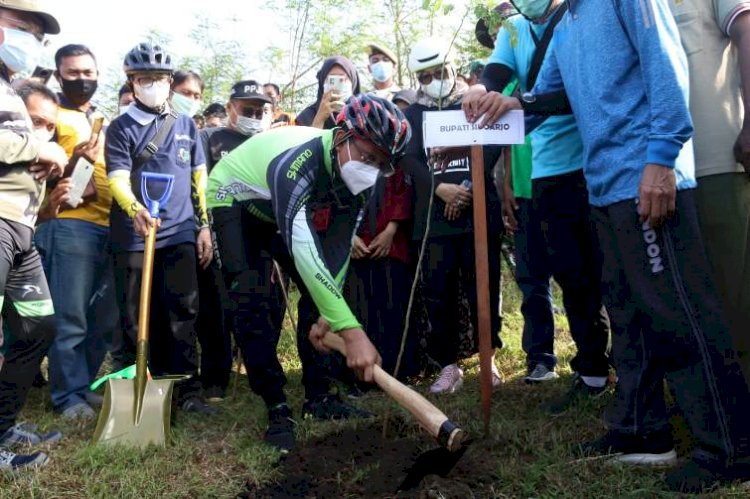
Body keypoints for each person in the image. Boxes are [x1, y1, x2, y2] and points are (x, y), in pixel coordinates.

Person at [465, 0, 750, 493]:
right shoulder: (570, 21)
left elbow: (666, 66)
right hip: (603, 185)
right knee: (627, 315)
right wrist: (512, 105)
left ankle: (728, 447)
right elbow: (550, 94)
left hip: (647, 179)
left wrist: (661, 160)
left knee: (678, 313)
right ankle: (640, 433)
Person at [207, 94, 411, 453]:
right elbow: (303, 248)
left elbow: (338, 250)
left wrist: (332, 318)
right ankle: (276, 405)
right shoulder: (299, 162)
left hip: (276, 211)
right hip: (235, 203)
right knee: (250, 301)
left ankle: (319, 397)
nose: (372, 169)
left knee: (323, 303)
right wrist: (353, 333)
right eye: (367, 157)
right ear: (343, 136)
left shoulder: (358, 183)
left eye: (381, 164)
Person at [465, 1, 610, 406]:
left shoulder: (580, 18)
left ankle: (633, 368)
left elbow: (582, 87)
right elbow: (497, 73)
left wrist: (522, 102)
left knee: (612, 271)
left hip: (594, 158)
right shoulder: (512, 29)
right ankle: (592, 369)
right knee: (571, 273)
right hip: (546, 169)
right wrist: (481, 88)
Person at [105, 42, 215, 416]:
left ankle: (186, 389)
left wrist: (203, 226)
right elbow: (118, 179)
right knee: (135, 317)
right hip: (134, 235)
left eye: (160, 79)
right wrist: (134, 208)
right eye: (145, 78)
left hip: (180, 231)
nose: (153, 84)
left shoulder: (186, 125)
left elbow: (200, 180)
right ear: (132, 81)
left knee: (182, 311)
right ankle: (138, 389)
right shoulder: (121, 128)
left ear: (170, 82)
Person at [402, 37, 504, 394]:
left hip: (477, 210)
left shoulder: (473, 103)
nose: (435, 79)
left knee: (484, 287)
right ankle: (448, 365)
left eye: (440, 72)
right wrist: (438, 189)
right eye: (426, 76)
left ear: (453, 68)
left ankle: (489, 358)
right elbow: (410, 159)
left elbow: (491, 146)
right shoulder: (413, 114)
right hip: (433, 219)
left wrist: (465, 189)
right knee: (439, 291)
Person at [0, 0, 68, 470]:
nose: (30, 40)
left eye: (36, 34)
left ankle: (2, 424)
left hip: (21, 229)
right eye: (20, 27)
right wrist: (42, 146)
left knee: (37, 326)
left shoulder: (7, 88)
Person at [32, 44, 117, 420]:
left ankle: (82, 386)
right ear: (58, 74)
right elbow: (36, 171)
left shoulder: (101, 119)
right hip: (68, 226)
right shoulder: (50, 118)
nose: (83, 79)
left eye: (88, 72)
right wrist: (73, 163)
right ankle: (66, 397)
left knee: (103, 317)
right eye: (73, 72)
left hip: (109, 225)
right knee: (71, 317)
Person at [668, 1, 750, 383]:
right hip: (669, 172)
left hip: (718, 162)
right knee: (700, 300)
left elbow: (747, 32)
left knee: (737, 293)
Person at [199, 79, 275, 401]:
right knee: (217, 305)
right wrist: (203, 226)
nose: (254, 116)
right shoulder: (210, 138)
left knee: (257, 302)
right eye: (247, 110)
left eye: (260, 111)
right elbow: (200, 183)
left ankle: (261, 372)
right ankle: (216, 377)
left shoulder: (268, 141)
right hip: (221, 231)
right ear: (231, 108)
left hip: (260, 233)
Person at [296, 56, 360, 129]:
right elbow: (306, 140)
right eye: (332, 79)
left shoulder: (364, 113)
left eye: (341, 79)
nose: (337, 85)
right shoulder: (306, 116)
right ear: (322, 82)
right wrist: (319, 118)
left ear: (353, 82)